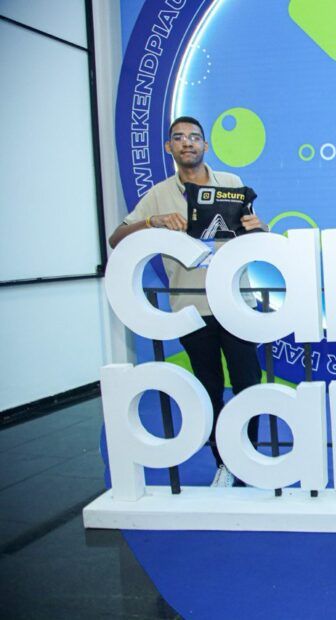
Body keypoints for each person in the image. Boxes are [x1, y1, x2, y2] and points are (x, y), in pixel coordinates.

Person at [109, 116, 266, 488]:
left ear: (205, 145)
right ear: (169, 147)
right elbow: (117, 238)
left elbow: (257, 236)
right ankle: (225, 464)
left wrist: (260, 228)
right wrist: (153, 222)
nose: (187, 143)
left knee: (248, 383)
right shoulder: (159, 194)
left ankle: (249, 459)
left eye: (195, 137)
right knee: (207, 388)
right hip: (191, 310)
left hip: (235, 303)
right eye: (179, 137)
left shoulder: (231, 183)